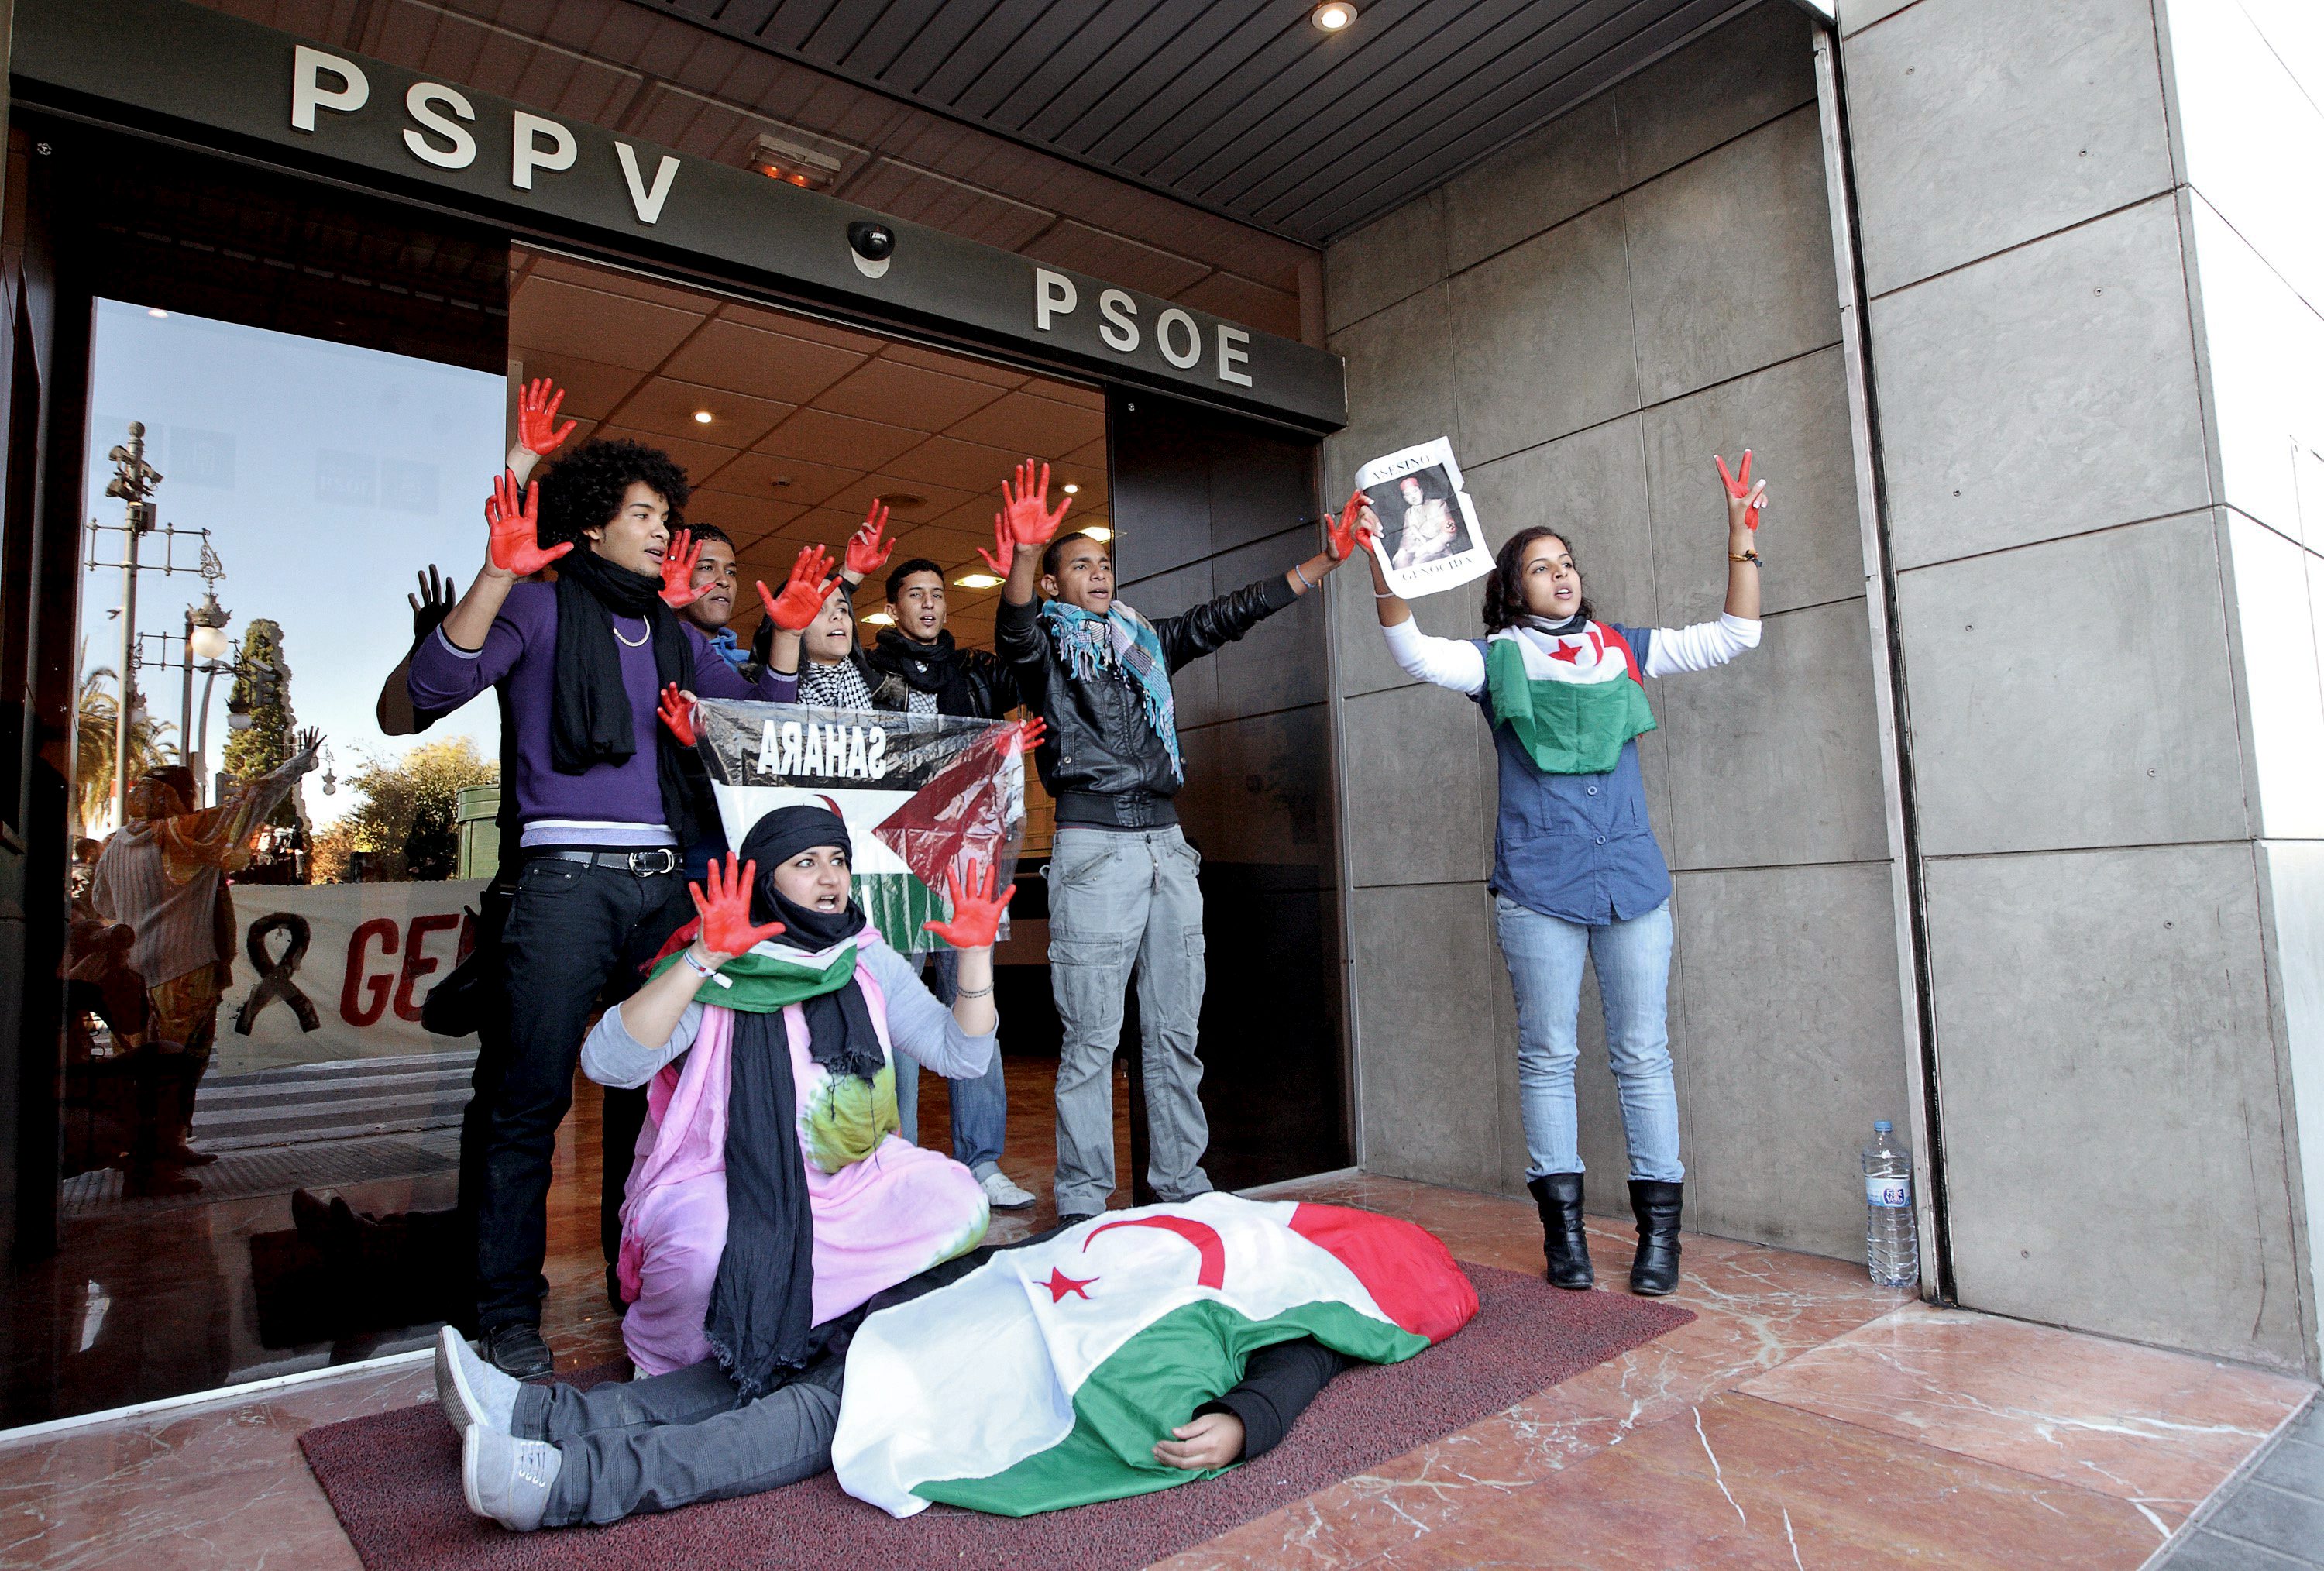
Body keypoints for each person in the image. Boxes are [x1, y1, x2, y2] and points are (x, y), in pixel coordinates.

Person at [404, 437, 802, 1379]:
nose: (666, 534)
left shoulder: (673, 633)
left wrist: (781, 634)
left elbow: (761, 731)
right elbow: (430, 687)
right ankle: (504, 1315)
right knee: (524, 1106)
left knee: (660, 1096)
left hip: (662, 886)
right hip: (564, 885)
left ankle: (647, 1287)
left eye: (669, 518)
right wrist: (499, 573)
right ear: (591, 523)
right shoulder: (537, 605)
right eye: (646, 517)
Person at [1365, 451, 1769, 1296]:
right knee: (1548, 1056)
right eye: (1541, 567)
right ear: (1513, 589)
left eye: (1568, 562)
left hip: (1633, 884)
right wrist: (1382, 564)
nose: (1562, 575)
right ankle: (1567, 1240)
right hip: (1539, 890)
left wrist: (1740, 543)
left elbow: (1736, 635)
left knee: (1643, 1055)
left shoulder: (1622, 648)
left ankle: (1661, 1243)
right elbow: (1412, 652)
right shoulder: (1495, 659)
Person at [991, 460, 1370, 1224]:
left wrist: (1323, 562)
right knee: (1093, 1039)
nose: (1098, 574)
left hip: (1168, 846)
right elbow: (1015, 627)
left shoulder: (1144, 643)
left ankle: (1181, 1184)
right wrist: (1027, 558)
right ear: (1059, 585)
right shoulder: (1049, 653)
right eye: (1081, 566)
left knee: (1174, 1033)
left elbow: (1225, 615)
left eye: (1104, 563)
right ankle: (1084, 1203)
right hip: (1095, 849)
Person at [580, 803, 1000, 1382]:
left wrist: (976, 956)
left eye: (839, 861)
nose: (831, 880)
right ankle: (672, 1363)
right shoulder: (721, 964)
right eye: (806, 863)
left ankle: (812, 1325)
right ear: (764, 878)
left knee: (960, 1205)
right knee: (706, 1255)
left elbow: (962, 1055)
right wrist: (702, 960)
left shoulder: (866, 956)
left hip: (853, 1176)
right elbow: (607, 1064)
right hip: (725, 1180)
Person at [862, 550, 1036, 1212]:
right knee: (897, 1020)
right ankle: (893, 1155)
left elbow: (1026, 667)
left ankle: (981, 1160)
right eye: (917, 594)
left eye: (938, 594)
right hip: (893, 860)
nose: (931, 604)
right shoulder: (868, 673)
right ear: (894, 607)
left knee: (974, 1006)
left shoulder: (978, 674)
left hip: (964, 862)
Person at [89, 737, 322, 1195]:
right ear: (179, 798)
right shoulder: (184, 833)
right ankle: (152, 1165)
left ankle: (153, 1148)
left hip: (131, 973)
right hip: (184, 966)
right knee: (173, 1067)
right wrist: (297, 764)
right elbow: (250, 803)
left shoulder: (115, 844)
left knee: (140, 1067)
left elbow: (102, 901)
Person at [1387, 474, 1461, 571]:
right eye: (1408, 494)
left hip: (1438, 548)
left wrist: (1428, 547)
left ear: (1421, 491)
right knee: (1401, 561)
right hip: (1417, 548)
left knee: (1419, 563)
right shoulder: (1409, 513)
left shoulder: (1438, 504)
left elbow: (1449, 532)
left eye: (1415, 491)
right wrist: (1402, 550)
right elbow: (1407, 537)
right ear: (1405, 498)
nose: (1413, 497)